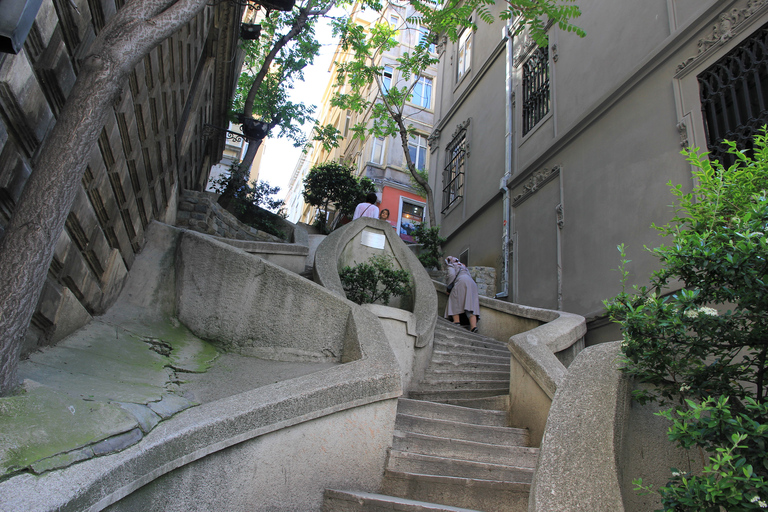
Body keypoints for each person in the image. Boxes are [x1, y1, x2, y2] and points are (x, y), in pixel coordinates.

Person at [444, 256, 480, 332]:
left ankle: (456, 321)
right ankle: (473, 327)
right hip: (472, 283)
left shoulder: (451, 265)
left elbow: (451, 275)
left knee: (454, 299)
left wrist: (449, 286)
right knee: (470, 303)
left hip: (461, 281)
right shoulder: (463, 266)